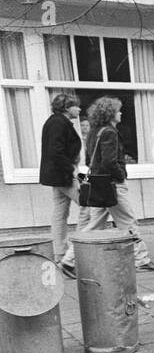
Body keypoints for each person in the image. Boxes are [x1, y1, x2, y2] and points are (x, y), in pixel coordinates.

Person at [76, 96, 154, 272]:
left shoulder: (95, 131)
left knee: (94, 225)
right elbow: (110, 161)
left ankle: (71, 260)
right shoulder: (109, 132)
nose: (121, 113)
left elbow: (89, 158)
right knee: (128, 221)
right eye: (118, 110)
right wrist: (121, 175)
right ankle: (141, 260)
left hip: (97, 183)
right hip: (112, 185)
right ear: (110, 114)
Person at [39, 94, 84, 277]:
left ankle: (60, 254)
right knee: (89, 208)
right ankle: (72, 256)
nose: (79, 109)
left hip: (56, 175)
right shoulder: (59, 123)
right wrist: (71, 170)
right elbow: (56, 151)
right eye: (76, 106)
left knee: (60, 213)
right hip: (64, 174)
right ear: (66, 107)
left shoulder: (54, 121)